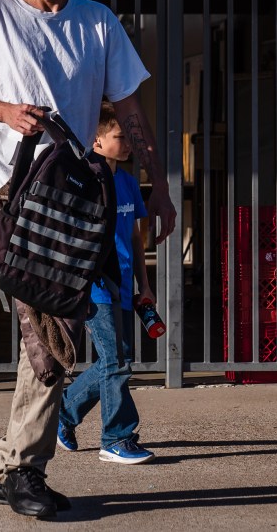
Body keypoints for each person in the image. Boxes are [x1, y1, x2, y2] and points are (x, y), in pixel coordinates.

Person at [0, 0, 176, 519]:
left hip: (77, 201)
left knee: (51, 334)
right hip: (15, 198)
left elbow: (130, 109)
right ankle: (22, 470)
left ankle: (11, 470)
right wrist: (4, 111)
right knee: (49, 335)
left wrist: (157, 185)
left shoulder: (97, 22)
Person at [55, 100, 156, 465]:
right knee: (115, 360)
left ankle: (63, 413)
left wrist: (144, 285)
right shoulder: (86, 182)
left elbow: (135, 238)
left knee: (117, 359)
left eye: (128, 136)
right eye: (119, 136)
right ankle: (116, 438)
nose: (127, 143)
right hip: (96, 286)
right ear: (96, 141)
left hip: (124, 286)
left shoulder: (128, 183)